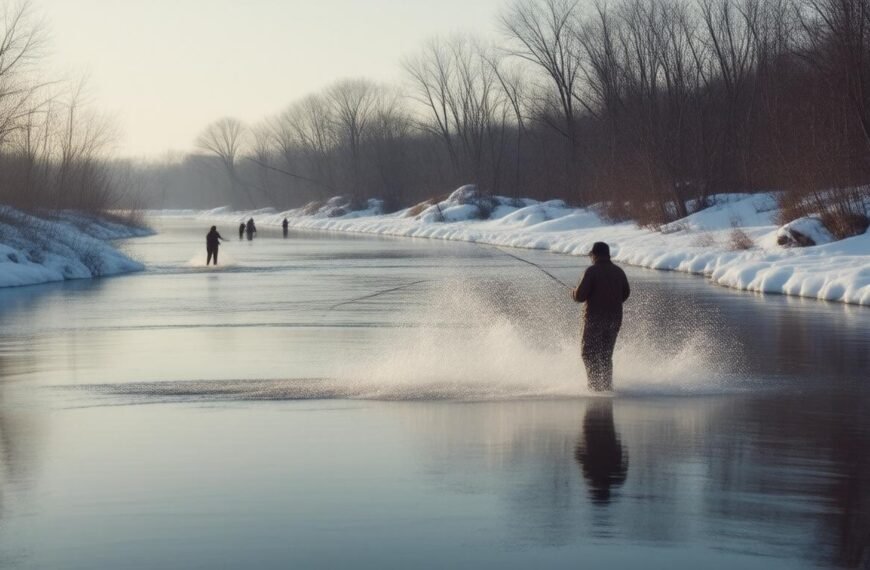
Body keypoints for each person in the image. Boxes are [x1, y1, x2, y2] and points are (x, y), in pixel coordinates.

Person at [571, 241, 630, 391]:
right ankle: (607, 386)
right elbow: (626, 293)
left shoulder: (591, 271)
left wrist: (573, 292)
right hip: (615, 319)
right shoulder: (619, 271)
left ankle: (594, 386)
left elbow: (580, 296)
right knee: (605, 355)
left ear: (595, 255)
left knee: (588, 354)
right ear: (607, 255)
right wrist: (613, 303)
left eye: (591, 255)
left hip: (594, 319)